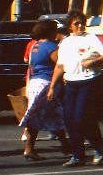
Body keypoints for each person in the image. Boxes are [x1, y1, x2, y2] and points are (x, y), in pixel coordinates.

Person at [48, 10, 103, 167]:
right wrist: (51, 87)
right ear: (70, 26)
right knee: (70, 120)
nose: (80, 25)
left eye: (82, 22)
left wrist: (92, 62)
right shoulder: (65, 43)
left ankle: (99, 147)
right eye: (76, 23)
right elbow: (60, 66)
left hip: (88, 82)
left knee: (81, 117)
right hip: (71, 83)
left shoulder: (91, 38)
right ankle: (78, 155)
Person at [21, 20, 68, 160]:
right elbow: (60, 65)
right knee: (40, 117)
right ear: (50, 31)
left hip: (35, 83)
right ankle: (29, 149)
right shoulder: (50, 47)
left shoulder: (35, 45)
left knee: (54, 115)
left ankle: (66, 146)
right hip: (46, 84)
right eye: (55, 30)